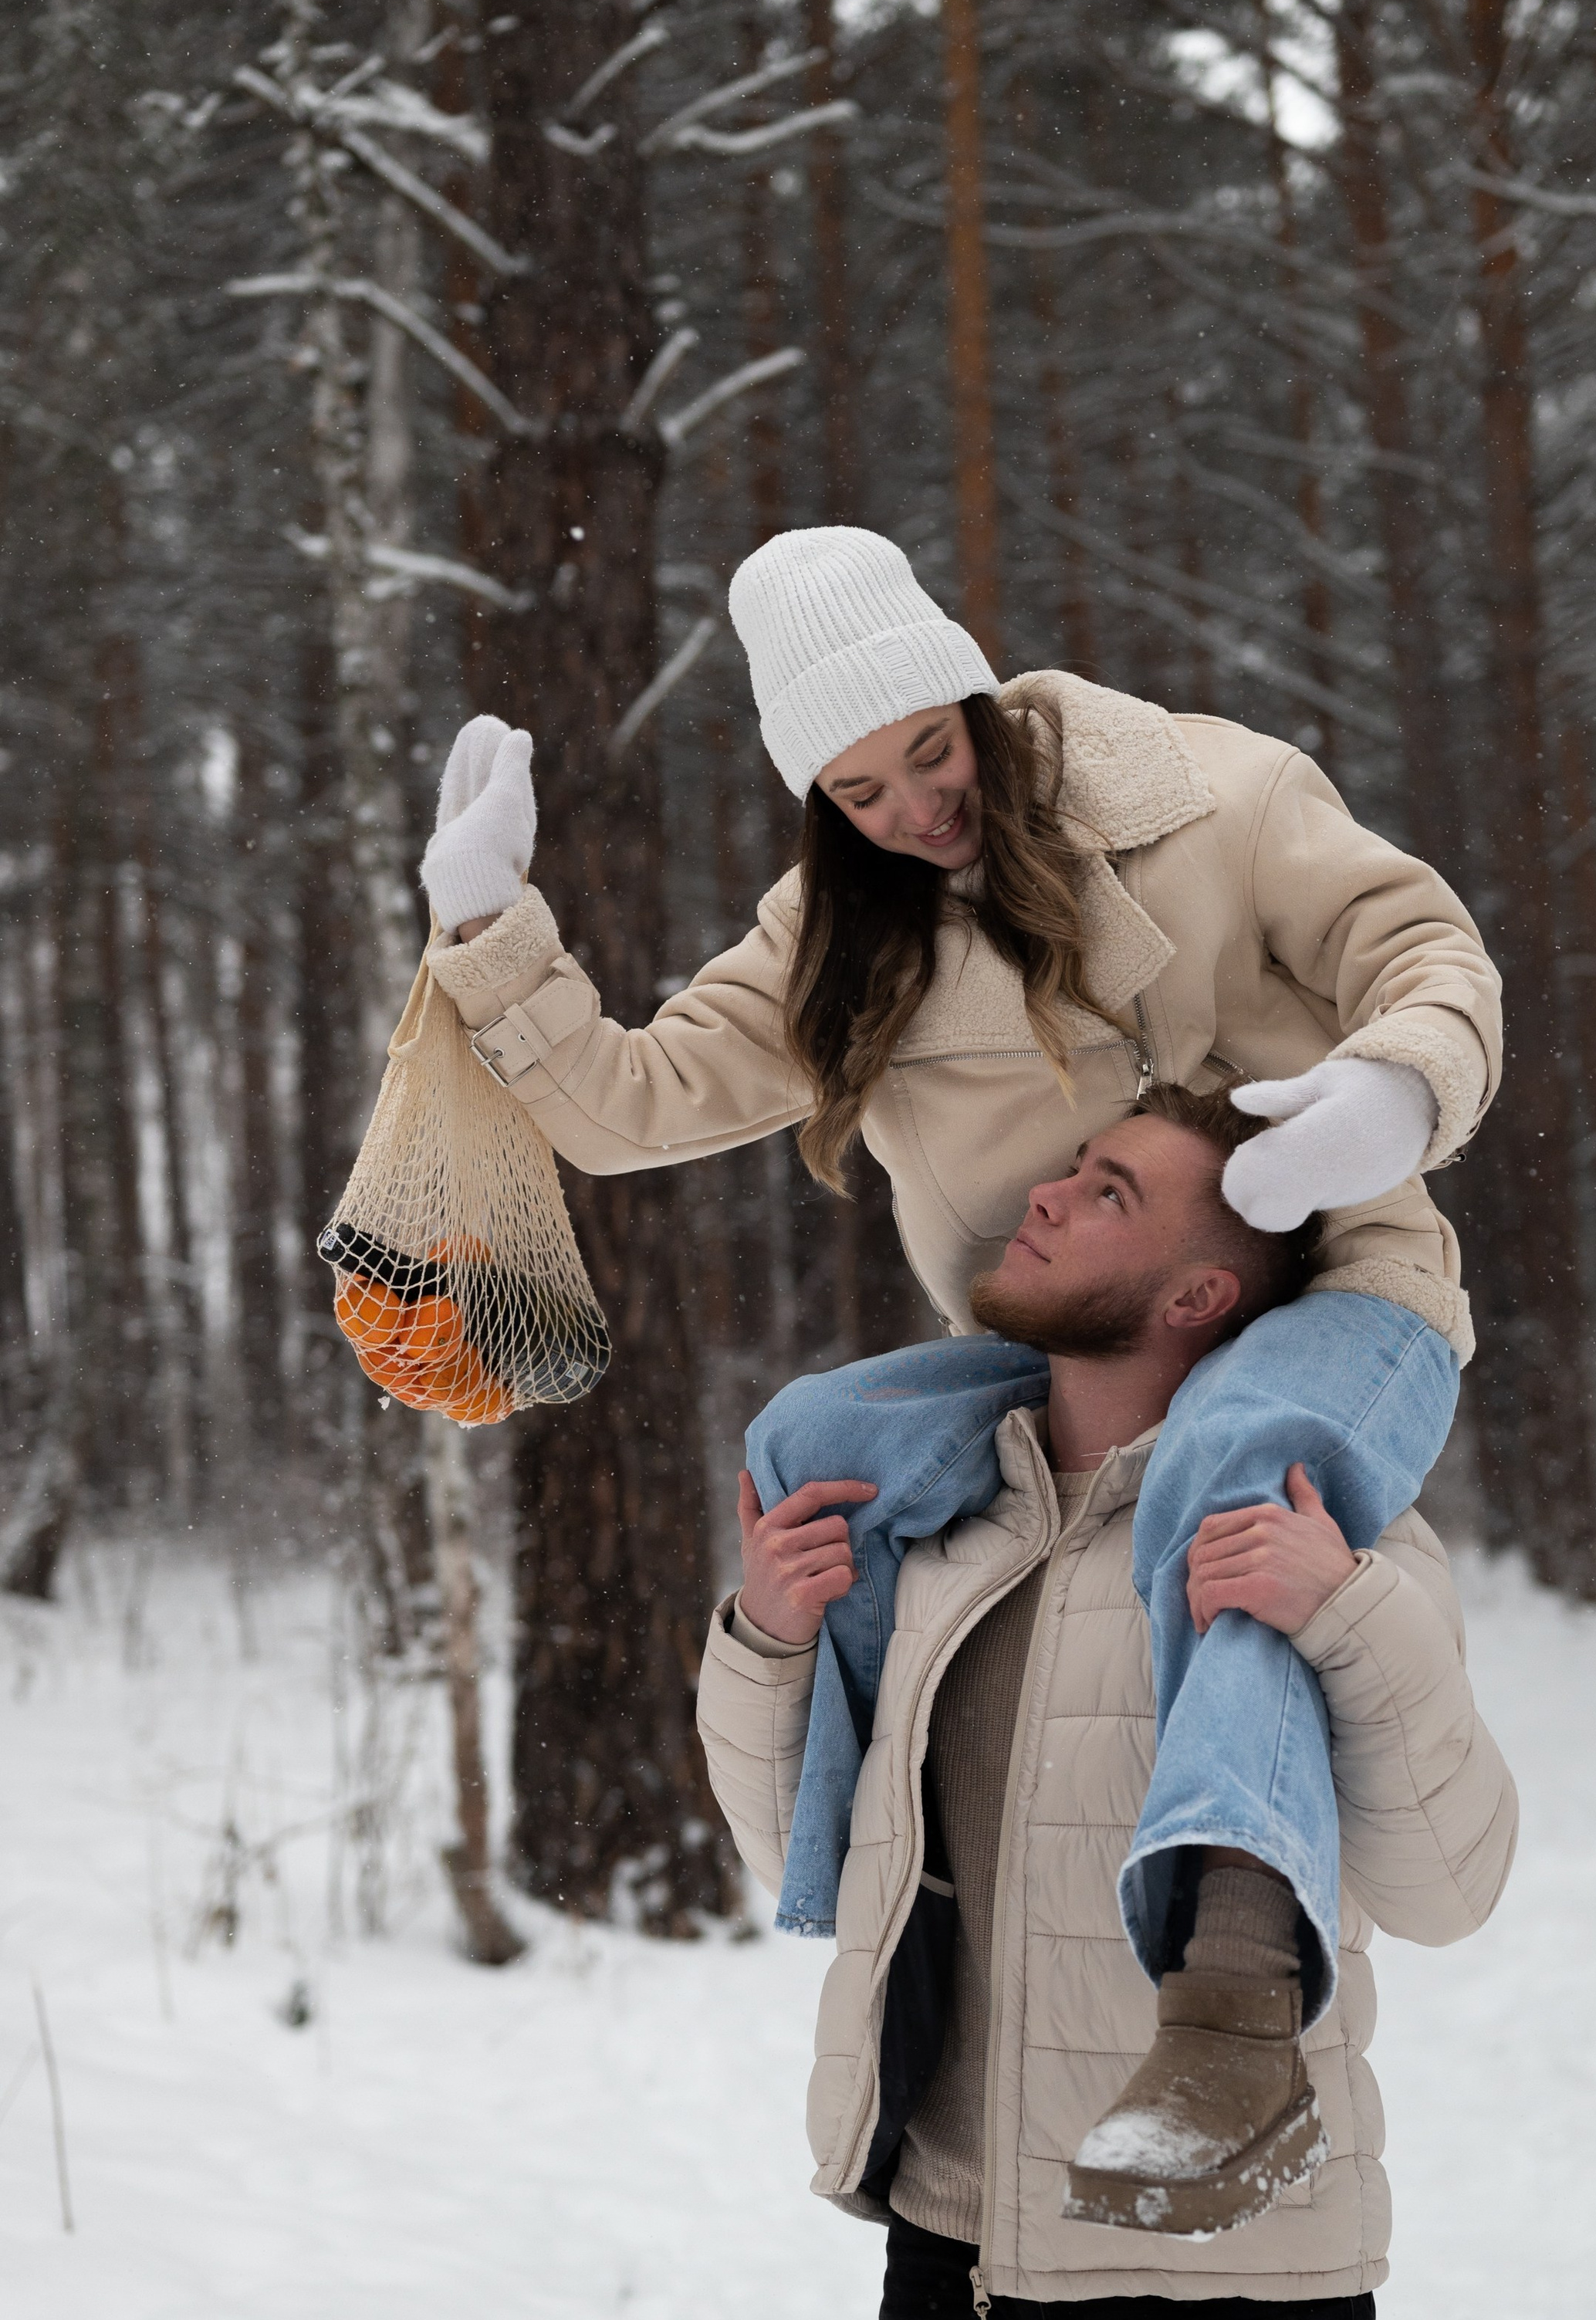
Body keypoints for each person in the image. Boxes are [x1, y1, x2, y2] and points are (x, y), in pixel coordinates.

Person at [415, 526, 1500, 2104]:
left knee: (1235, 1465)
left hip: (1335, 1283)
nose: (914, 811)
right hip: (1072, 1340)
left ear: (974, 696)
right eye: (859, 792)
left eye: (931, 753)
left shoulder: (1211, 797)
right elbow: (624, 1102)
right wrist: (488, 928)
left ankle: (1233, 1975)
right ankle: (883, 1883)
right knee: (811, 1444)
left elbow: (1422, 948)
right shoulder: (837, 931)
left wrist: (1397, 1088)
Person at [697, 1085, 1517, 2320]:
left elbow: (1446, 1888)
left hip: (1239, 2272)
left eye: (1111, 1192)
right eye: (1072, 1169)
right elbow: (808, 1862)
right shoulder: (942, 1540)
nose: (1050, 1195)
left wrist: (1341, 1609)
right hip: (963, 2268)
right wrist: (768, 1635)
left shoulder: (1324, 1531)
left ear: (1198, 1294)